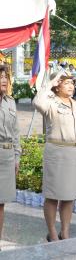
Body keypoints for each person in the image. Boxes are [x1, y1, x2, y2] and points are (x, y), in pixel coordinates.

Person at [33, 71, 76, 241]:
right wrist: (51, 82)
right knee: (53, 195)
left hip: (74, 153)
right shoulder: (50, 103)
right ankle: (52, 232)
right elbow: (37, 102)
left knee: (69, 196)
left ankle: (65, 231)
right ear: (57, 86)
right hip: (56, 153)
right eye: (66, 83)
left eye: (72, 83)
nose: (71, 86)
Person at [0, 65, 21, 245]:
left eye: (6, 77)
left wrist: (16, 156)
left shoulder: (10, 102)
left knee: (1, 202)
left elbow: (15, 132)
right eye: (0, 77)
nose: (4, 80)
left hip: (6, 156)